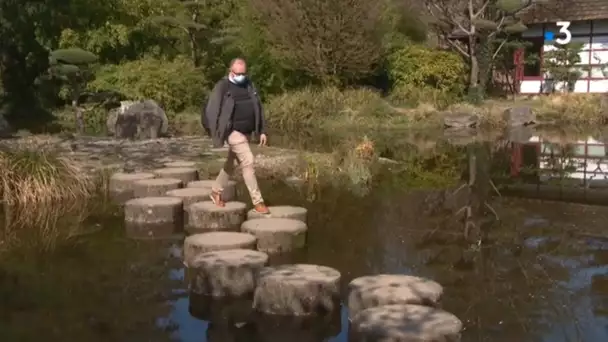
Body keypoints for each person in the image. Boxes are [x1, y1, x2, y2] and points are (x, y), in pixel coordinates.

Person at [202, 57, 270, 214]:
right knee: (248, 161)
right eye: (238, 73)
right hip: (232, 131)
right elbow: (211, 110)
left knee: (230, 164)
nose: (241, 76)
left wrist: (262, 130)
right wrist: (214, 132)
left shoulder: (249, 84)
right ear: (230, 71)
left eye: (243, 73)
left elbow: (258, 107)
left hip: (246, 131)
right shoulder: (223, 86)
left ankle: (215, 191)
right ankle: (258, 202)